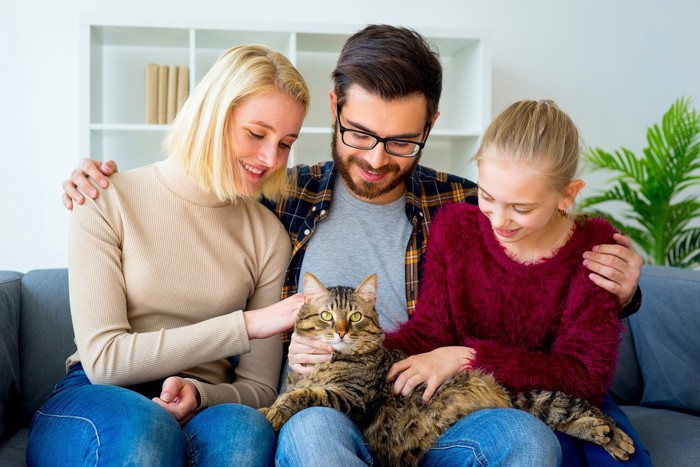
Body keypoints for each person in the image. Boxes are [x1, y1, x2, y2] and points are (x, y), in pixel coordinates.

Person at [61, 25, 644, 466]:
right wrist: (99, 182)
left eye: (401, 142)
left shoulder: (470, 207)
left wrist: (621, 283)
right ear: (336, 108)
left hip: (423, 409)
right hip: (321, 408)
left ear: (432, 126)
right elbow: (198, 199)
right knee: (313, 435)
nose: (374, 157)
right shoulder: (280, 199)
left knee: (526, 438)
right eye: (360, 133)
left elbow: (543, 236)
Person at [28, 45, 309, 466]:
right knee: (144, 431)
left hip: (205, 405)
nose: (271, 159)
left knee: (246, 433)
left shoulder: (268, 235)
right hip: (98, 394)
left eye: (285, 143)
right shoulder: (104, 199)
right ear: (212, 116)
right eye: (256, 134)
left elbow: (259, 390)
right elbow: (104, 360)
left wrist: (202, 394)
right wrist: (247, 324)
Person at [384, 99, 651, 466]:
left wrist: (468, 359)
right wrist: (356, 353)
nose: (500, 221)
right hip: (484, 404)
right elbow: (430, 333)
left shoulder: (595, 250)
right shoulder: (457, 229)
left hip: (566, 400)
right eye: (488, 197)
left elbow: (582, 375)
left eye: (522, 209)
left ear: (568, 194)